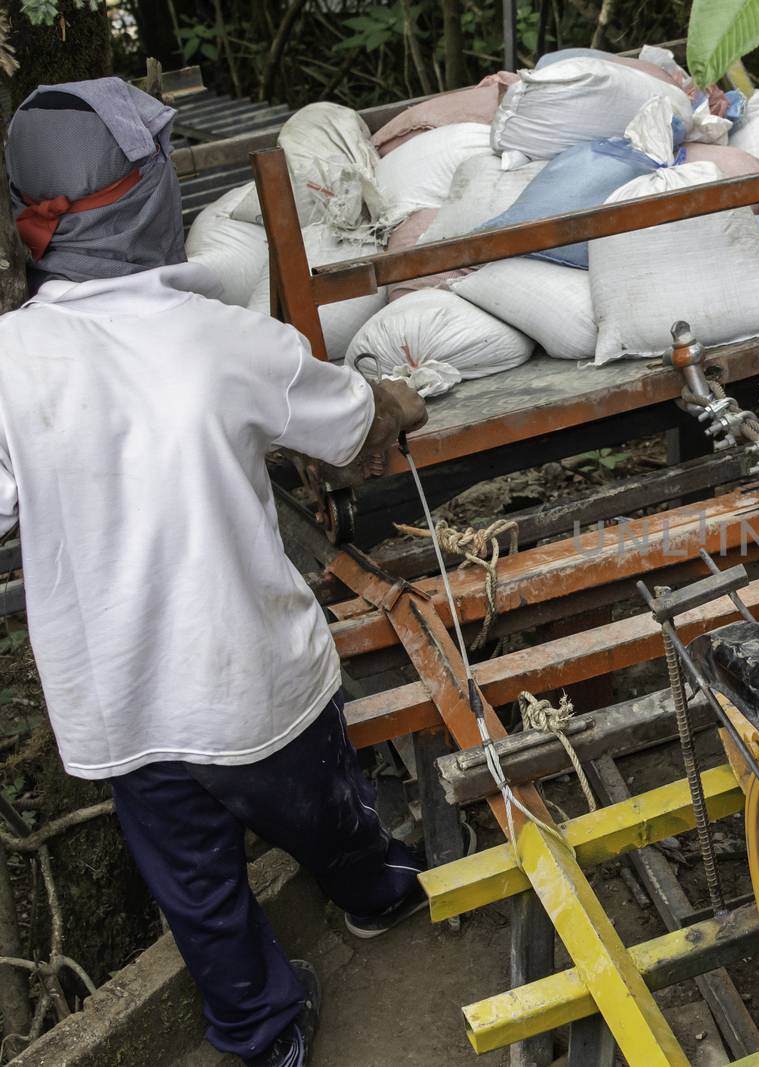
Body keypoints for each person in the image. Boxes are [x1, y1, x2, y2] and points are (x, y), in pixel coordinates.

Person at [0, 79, 429, 1066]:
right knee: (329, 814)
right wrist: (399, 404)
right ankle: (373, 897)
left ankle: (260, 1026)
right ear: (153, 198)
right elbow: (353, 420)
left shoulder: (10, 362)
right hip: (250, 682)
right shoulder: (226, 340)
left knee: (194, 887)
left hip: (120, 705)